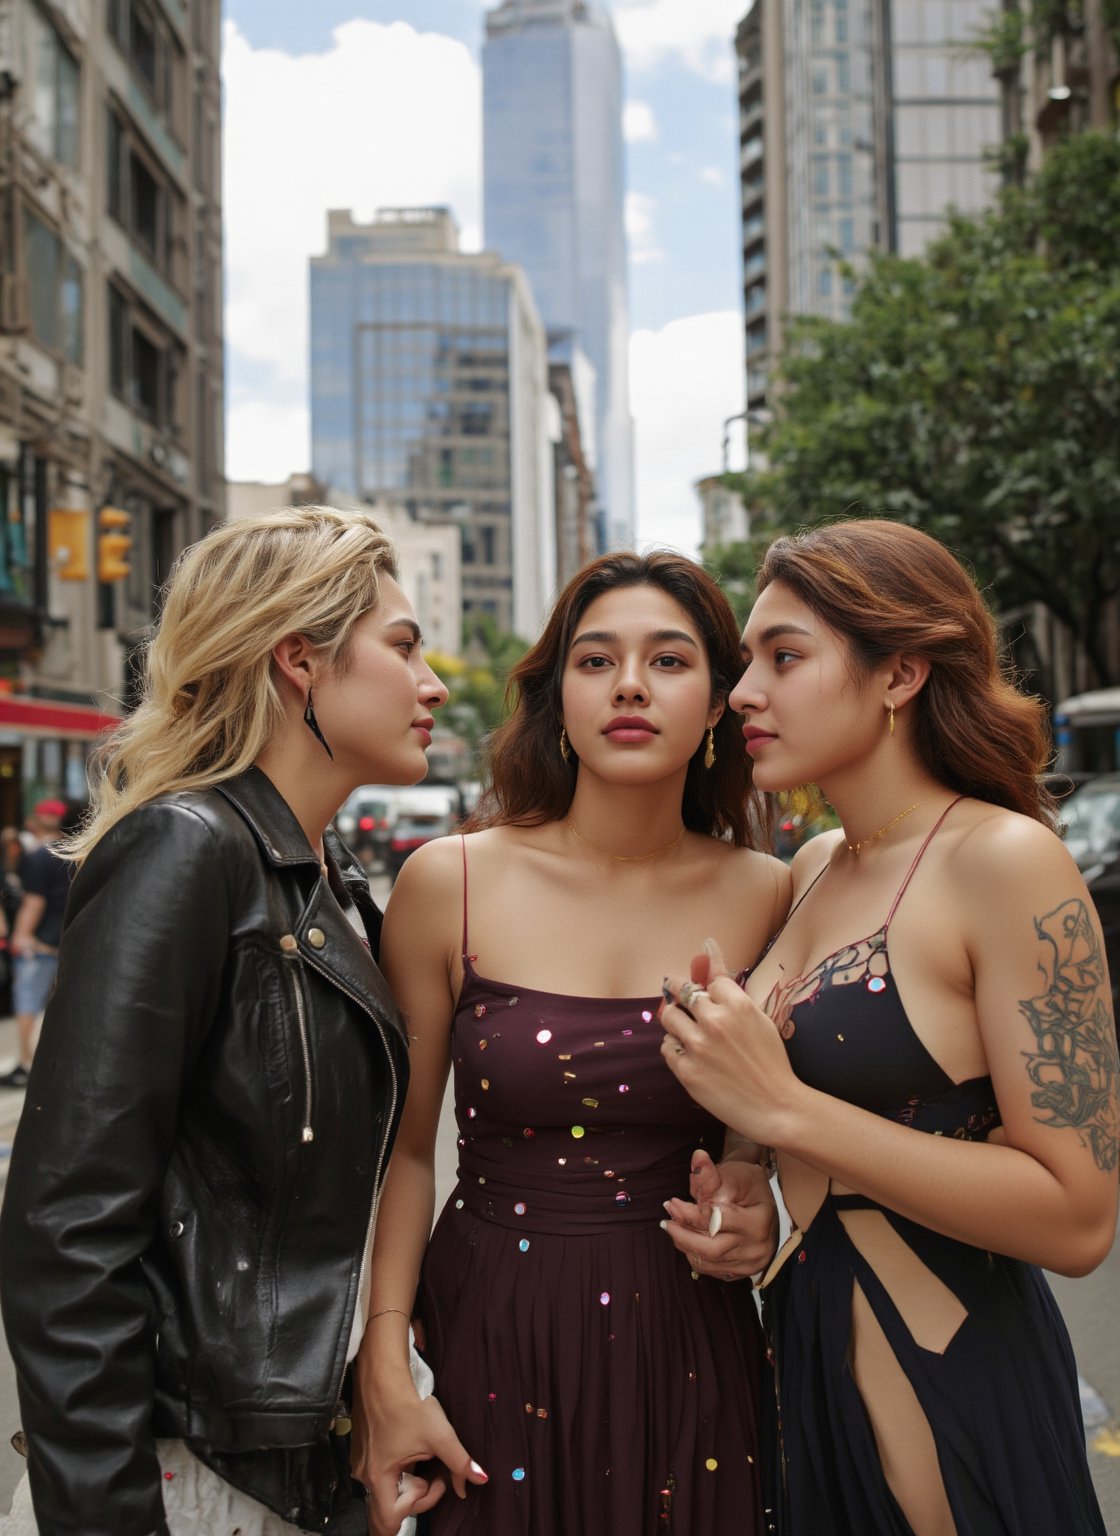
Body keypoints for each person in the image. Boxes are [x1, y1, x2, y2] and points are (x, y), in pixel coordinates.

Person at [0, 505, 462, 1536]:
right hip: (179, 1481)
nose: (431, 685)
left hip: (293, 1467)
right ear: (300, 661)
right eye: (402, 647)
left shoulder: (327, 883)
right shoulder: (187, 846)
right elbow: (66, 1226)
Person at [658, 518, 1118, 1536]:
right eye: (746, 665)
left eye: (785, 658)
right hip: (804, 1354)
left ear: (899, 673)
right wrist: (747, 1190)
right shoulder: (818, 866)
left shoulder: (1005, 862)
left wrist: (781, 1112)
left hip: (951, 1374)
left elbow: (1078, 1218)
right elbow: (801, 1118)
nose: (743, 695)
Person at [352, 551, 791, 1536]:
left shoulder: (772, 893)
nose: (630, 683)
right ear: (555, 695)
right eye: (596, 661)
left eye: (669, 661)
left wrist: (752, 1179)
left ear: (720, 703)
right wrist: (383, 1362)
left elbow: (768, 1127)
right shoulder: (446, 882)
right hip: (488, 1328)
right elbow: (406, 1151)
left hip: (690, 1336)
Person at [0, 801, 71, 1089]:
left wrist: (21, 935)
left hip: (41, 942)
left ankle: (29, 1064)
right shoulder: (75, 850)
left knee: (28, 999)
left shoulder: (40, 857)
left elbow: (34, 900)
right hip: (68, 937)